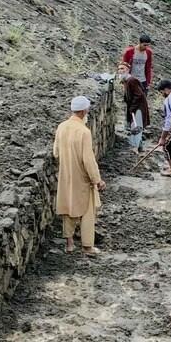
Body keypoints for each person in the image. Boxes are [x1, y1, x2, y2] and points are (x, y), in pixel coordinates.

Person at [53, 95, 105, 256]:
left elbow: (56, 152)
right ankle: (87, 246)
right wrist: (97, 180)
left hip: (66, 175)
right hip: (81, 177)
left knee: (68, 207)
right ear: (83, 112)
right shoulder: (84, 132)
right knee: (87, 210)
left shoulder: (62, 127)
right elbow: (88, 160)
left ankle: (69, 244)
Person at [118, 62, 150, 138]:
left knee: (137, 127)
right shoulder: (126, 80)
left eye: (122, 68)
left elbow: (139, 95)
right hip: (134, 106)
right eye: (119, 69)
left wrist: (132, 107)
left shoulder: (131, 80)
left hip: (138, 107)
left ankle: (137, 144)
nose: (120, 71)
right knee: (135, 128)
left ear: (128, 70)